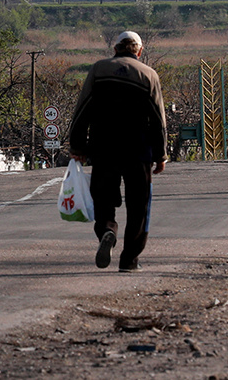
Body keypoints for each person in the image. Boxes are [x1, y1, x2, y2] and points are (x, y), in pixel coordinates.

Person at [68, 31, 167, 273]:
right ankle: (129, 260)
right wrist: (160, 154)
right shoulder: (148, 75)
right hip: (138, 152)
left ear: (115, 49)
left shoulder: (99, 70)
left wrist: (78, 146)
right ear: (139, 51)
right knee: (139, 206)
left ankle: (108, 231)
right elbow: (158, 120)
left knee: (103, 199)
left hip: (103, 149)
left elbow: (83, 109)